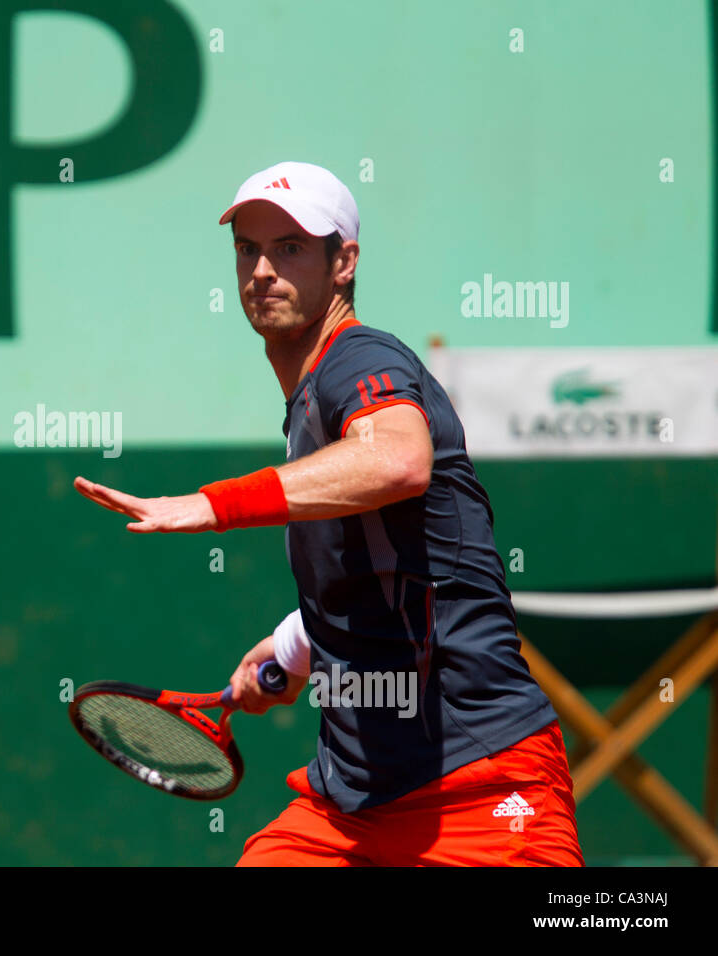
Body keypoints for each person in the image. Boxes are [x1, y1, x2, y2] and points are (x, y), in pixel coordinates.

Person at [73, 161, 583, 866]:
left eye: (290, 248)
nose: (260, 270)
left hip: (480, 789)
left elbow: (398, 462)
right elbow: (387, 563)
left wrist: (210, 505)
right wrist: (292, 650)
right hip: (348, 807)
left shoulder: (358, 360)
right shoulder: (311, 399)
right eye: (248, 249)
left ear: (343, 262)